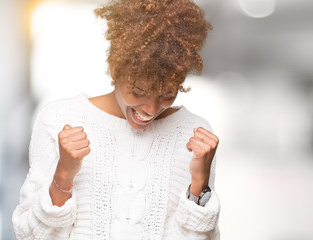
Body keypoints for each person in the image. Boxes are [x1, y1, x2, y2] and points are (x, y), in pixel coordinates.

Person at [12, 0, 220, 239]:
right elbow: (28, 235)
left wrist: (199, 185)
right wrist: (64, 174)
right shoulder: (59, 119)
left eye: (166, 95)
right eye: (138, 92)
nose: (151, 109)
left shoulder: (195, 135)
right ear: (114, 68)